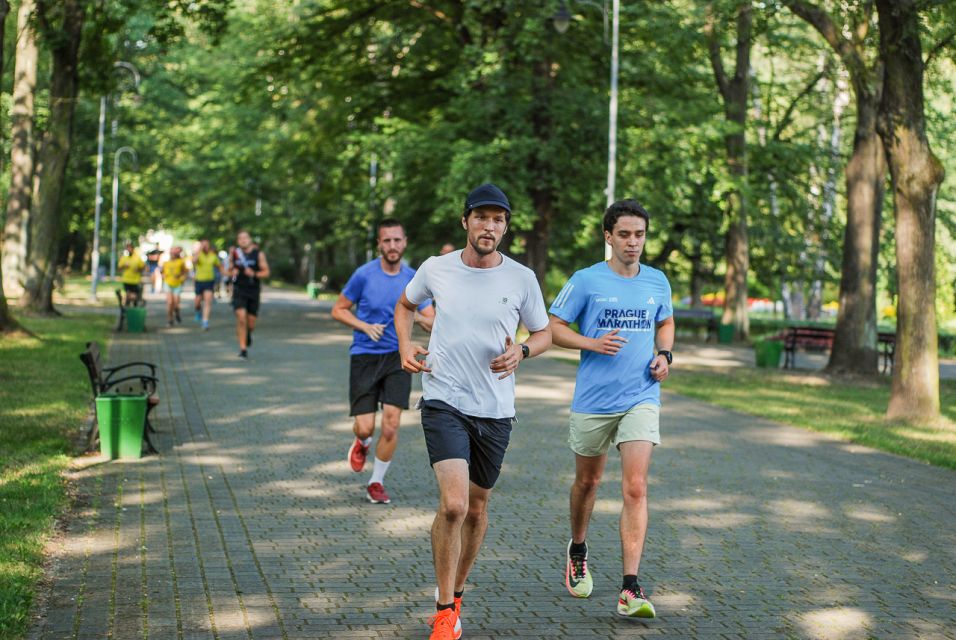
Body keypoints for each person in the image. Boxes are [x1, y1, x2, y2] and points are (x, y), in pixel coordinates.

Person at [395, 184, 551, 640]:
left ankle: (457, 594)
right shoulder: (436, 268)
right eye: (482, 217)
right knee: (455, 505)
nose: (490, 226)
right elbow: (406, 305)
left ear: (506, 226)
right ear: (465, 222)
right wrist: (405, 345)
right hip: (444, 398)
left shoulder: (521, 277)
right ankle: (444, 610)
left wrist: (522, 350)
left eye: (499, 219)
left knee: (478, 509)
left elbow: (543, 333)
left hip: (496, 409)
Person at [548, 199, 675, 619]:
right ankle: (578, 548)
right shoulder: (586, 280)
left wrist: (665, 355)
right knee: (588, 483)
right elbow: (554, 329)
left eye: (639, 234)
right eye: (624, 234)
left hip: (641, 395)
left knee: (635, 487)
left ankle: (630, 588)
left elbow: (665, 322)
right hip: (593, 400)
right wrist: (592, 343)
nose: (633, 242)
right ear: (608, 237)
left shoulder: (657, 280)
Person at [331, 219, 435, 505]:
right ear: (379, 243)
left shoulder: (414, 278)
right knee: (365, 427)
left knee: (391, 425)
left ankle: (376, 482)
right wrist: (363, 326)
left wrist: (426, 322)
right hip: (364, 355)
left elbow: (430, 316)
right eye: (386, 240)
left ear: (405, 242)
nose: (392, 246)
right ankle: (362, 442)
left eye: (397, 240)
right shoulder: (363, 275)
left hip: (398, 356)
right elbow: (338, 309)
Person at [230, 231, 270, 359]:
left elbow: (266, 272)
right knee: (241, 318)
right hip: (239, 290)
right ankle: (243, 349)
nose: (243, 240)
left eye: (245, 238)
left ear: (250, 239)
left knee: (251, 324)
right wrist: (233, 271)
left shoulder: (258, 254)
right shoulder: (235, 254)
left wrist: (254, 274)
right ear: (238, 241)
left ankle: (247, 334)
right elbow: (230, 269)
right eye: (240, 238)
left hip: (253, 290)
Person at [192, 239, 218, 330]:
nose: (205, 246)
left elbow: (219, 266)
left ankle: (205, 321)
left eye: (206, 245)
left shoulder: (213, 255)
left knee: (208, 301)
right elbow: (194, 262)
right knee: (197, 301)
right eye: (203, 245)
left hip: (209, 281)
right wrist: (199, 251)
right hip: (199, 281)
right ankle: (198, 311)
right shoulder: (199, 255)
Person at [161, 246, 189, 326]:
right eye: (171, 253)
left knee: (176, 304)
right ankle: (170, 320)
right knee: (170, 303)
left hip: (177, 284)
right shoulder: (165, 263)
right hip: (168, 283)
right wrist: (163, 275)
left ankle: (177, 312)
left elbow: (185, 272)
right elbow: (162, 272)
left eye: (174, 253)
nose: (172, 254)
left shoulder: (181, 262)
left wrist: (182, 277)